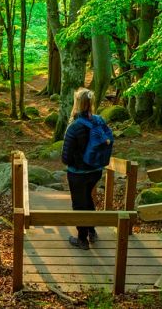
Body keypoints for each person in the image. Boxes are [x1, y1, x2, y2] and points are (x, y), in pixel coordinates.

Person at [61, 87, 102, 250]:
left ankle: (82, 239)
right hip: (95, 172)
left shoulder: (74, 126)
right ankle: (92, 231)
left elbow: (65, 158)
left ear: (77, 103)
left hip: (78, 174)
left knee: (79, 204)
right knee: (88, 198)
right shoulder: (99, 121)